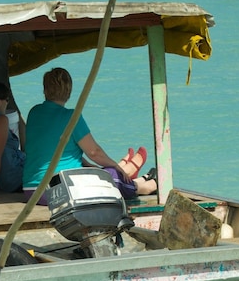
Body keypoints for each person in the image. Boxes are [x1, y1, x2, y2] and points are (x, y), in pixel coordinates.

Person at [22, 67, 155, 205]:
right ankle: (145, 186)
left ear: (45, 90)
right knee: (111, 176)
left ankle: (133, 176)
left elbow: (53, 150)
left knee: (101, 170)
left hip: (31, 192)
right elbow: (94, 152)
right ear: (69, 91)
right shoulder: (71, 117)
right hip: (59, 191)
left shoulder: (34, 113)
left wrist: (89, 165)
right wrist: (115, 166)